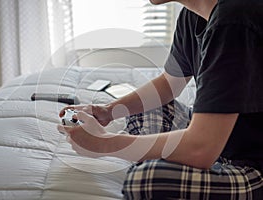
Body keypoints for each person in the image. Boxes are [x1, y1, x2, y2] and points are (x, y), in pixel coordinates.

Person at [58, 0, 263, 199]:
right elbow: (169, 83)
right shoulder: (193, 15)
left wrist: (105, 143)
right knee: (146, 109)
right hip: (218, 141)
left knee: (144, 180)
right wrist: (108, 111)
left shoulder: (235, 20)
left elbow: (201, 148)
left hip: (252, 165)